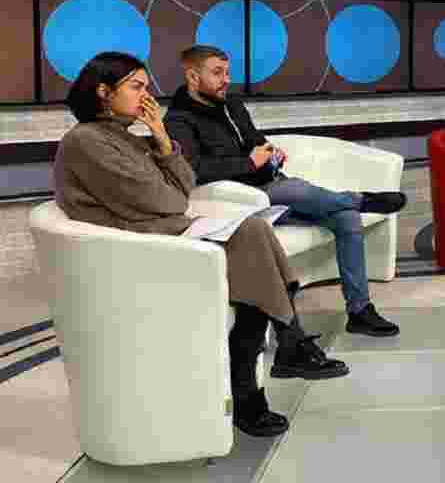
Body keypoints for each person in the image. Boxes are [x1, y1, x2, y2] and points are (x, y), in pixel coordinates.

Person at [54, 52, 348, 439]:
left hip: (161, 235)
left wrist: (161, 140)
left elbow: (184, 185)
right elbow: (170, 200)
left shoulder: (124, 137)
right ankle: (270, 366)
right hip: (135, 252)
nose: (148, 98)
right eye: (137, 87)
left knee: (254, 233)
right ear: (104, 92)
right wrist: (166, 161)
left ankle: (278, 352)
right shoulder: (87, 142)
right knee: (251, 250)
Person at [164, 45, 405, 338]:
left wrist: (270, 152)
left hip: (271, 187)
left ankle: (359, 311)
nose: (226, 79)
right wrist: (249, 162)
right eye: (217, 73)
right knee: (296, 189)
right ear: (192, 76)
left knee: (347, 218)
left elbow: (255, 140)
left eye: (227, 72)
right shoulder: (177, 121)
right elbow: (193, 170)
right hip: (238, 202)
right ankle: (358, 199)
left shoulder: (232, 104)